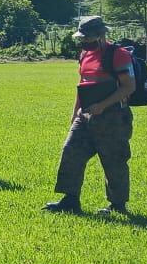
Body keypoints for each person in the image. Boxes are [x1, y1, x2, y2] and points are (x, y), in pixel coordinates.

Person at [45, 16, 136, 215]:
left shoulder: (118, 54)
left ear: (101, 35)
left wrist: (102, 106)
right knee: (71, 152)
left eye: (87, 38)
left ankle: (118, 205)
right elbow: (83, 85)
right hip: (85, 115)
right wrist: (74, 115)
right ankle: (70, 200)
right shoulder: (84, 55)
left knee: (113, 161)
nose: (84, 42)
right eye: (82, 38)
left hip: (113, 117)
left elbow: (129, 87)